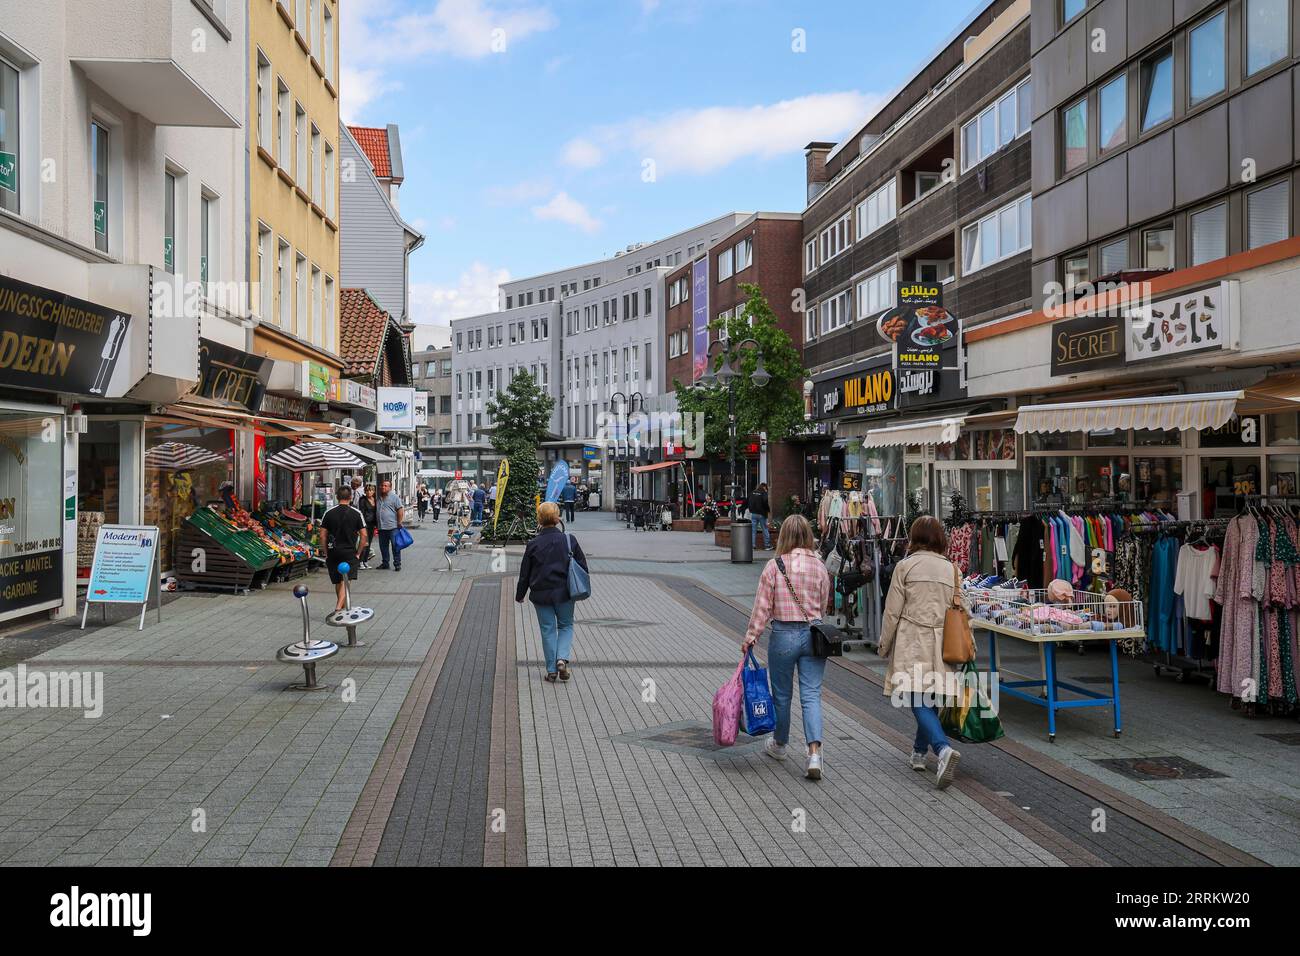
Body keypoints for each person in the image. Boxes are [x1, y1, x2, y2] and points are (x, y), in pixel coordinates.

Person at [743, 515, 831, 781]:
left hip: (782, 634)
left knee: (781, 695)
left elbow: (762, 607)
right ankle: (814, 753)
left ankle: (780, 744)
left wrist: (751, 636)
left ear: (783, 536)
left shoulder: (774, 565)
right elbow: (824, 602)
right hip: (814, 634)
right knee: (811, 695)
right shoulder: (819, 565)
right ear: (807, 535)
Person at [878, 515, 963, 790]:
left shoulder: (905, 567)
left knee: (916, 697)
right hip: (942, 642)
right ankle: (918, 752)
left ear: (914, 538)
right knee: (931, 696)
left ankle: (942, 749)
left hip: (912, 639)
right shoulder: (952, 570)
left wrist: (884, 644)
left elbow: (892, 612)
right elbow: (962, 611)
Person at [516, 502, 589, 683]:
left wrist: (520, 594)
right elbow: (582, 566)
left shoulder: (533, 543)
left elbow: (525, 572)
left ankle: (551, 671)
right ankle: (561, 659)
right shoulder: (569, 540)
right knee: (565, 626)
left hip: (541, 594)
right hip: (565, 593)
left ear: (539, 519)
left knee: (547, 630)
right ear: (558, 519)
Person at [320, 485, 368, 611]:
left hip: (333, 552)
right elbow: (364, 535)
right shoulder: (357, 513)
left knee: (338, 581)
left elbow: (322, 536)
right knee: (346, 581)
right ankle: (338, 608)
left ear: (337, 497)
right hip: (349, 552)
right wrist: (359, 552)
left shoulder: (328, 513)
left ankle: (341, 606)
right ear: (351, 497)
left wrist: (326, 553)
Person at [374, 478, 406, 572]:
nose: (383, 487)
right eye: (382, 485)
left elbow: (400, 510)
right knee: (383, 547)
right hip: (381, 527)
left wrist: (399, 522)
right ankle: (385, 563)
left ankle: (397, 564)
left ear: (390, 487)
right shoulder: (378, 497)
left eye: (385, 486)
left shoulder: (394, 497)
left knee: (395, 546)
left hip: (393, 527)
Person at [747, 482, 772, 550]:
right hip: (762, 514)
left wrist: (751, 510)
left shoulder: (752, 493)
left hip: (754, 514)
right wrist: (768, 510)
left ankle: (753, 545)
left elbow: (748, 501)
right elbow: (765, 502)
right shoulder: (763, 493)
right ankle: (767, 545)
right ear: (764, 487)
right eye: (766, 488)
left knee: (753, 530)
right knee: (765, 529)